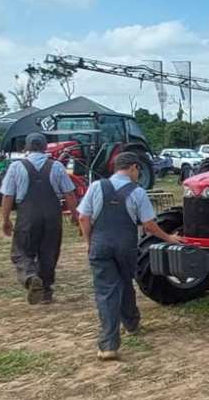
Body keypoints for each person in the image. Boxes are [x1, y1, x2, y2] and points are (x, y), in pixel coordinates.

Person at [77, 152, 183, 362]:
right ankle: (132, 323)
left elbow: (83, 217)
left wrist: (89, 242)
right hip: (126, 245)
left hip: (101, 244)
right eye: (138, 170)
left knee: (106, 291)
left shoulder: (97, 186)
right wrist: (168, 238)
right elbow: (149, 225)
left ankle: (108, 344)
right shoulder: (138, 192)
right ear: (133, 167)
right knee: (125, 282)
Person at [0, 133, 79, 306]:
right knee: (49, 252)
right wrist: (75, 215)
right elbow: (69, 193)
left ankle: (30, 277)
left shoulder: (16, 167)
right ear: (45, 147)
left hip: (28, 214)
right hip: (52, 214)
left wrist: (5, 219)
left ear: (27, 148)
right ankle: (46, 292)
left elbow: (8, 196)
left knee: (21, 251)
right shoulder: (57, 166)